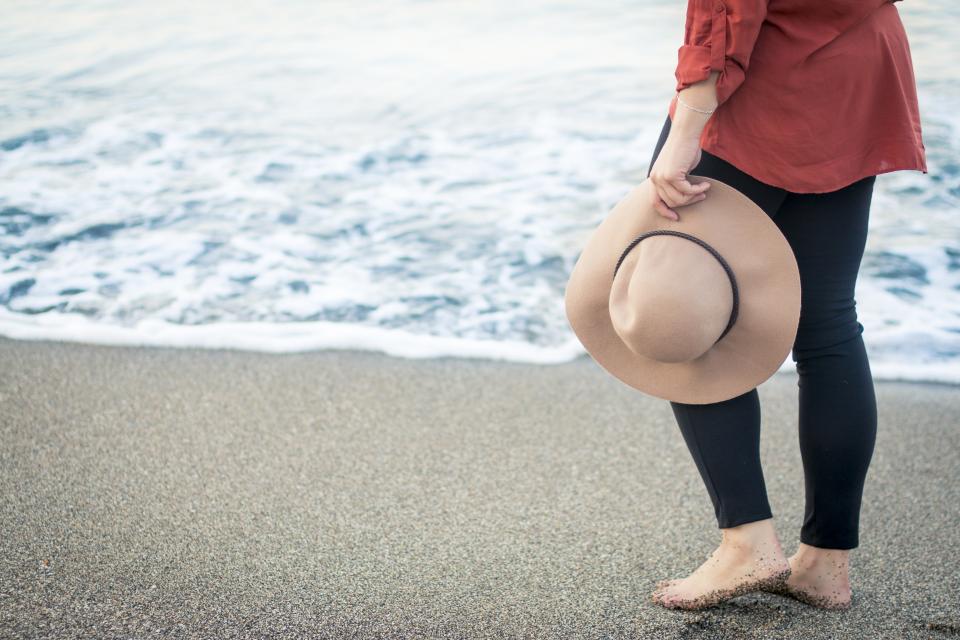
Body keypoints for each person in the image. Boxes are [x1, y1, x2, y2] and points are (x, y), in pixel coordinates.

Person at [645, 0, 927, 610]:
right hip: (856, 66)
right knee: (826, 324)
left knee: (677, 311)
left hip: (762, 85)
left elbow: (723, 12)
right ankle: (826, 566)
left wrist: (686, 130)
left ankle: (746, 542)